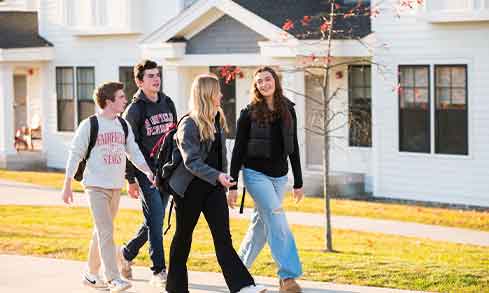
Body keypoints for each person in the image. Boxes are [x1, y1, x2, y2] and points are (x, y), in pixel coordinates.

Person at [165, 74, 266, 293]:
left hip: (213, 188)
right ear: (207, 94)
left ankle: (242, 286)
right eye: (217, 91)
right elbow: (191, 161)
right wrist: (217, 176)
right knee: (183, 237)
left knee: (223, 238)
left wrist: (227, 182)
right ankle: (174, 288)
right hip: (189, 189)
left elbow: (222, 156)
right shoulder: (188, 124)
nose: (221, 94)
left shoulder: (217, 118)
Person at [61, 82, 154, 292]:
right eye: (121, 97)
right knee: (106, 230)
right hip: (95, 186)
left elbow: (134, 152)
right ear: (109, 101)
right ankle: (113, 277)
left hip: (115, 186)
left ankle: (90, 274)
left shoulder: (122, 125)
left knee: (101, 231)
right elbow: (75, 154)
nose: (125, 100)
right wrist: (66, 184)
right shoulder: (90, 125)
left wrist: (148, 171)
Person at [228, 66, 304, 292]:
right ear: (256, 86)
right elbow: (238, 150)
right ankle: (288, 277)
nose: (264, 84)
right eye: (259, 81)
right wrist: (232, 184)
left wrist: (298, 181)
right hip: (255, 175)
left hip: (280, 177)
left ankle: (237, 271)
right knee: (277, 218)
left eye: (267, 79)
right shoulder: (248, 112)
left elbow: (294, 147)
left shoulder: (289, 110)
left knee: (260, 227)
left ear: (275, 81)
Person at [119, 59, 177, 288]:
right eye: (150, 76)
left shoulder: (168, 102)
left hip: (167, 171)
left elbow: (174, 137)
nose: (156, 79)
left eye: (157, 75)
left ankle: (126, 253)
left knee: (155, 219)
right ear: (139, 81)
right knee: (155, 219)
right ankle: (159, 270)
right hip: (146, 172)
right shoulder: (134, 110)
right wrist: (131, 179)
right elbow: (126, 146)